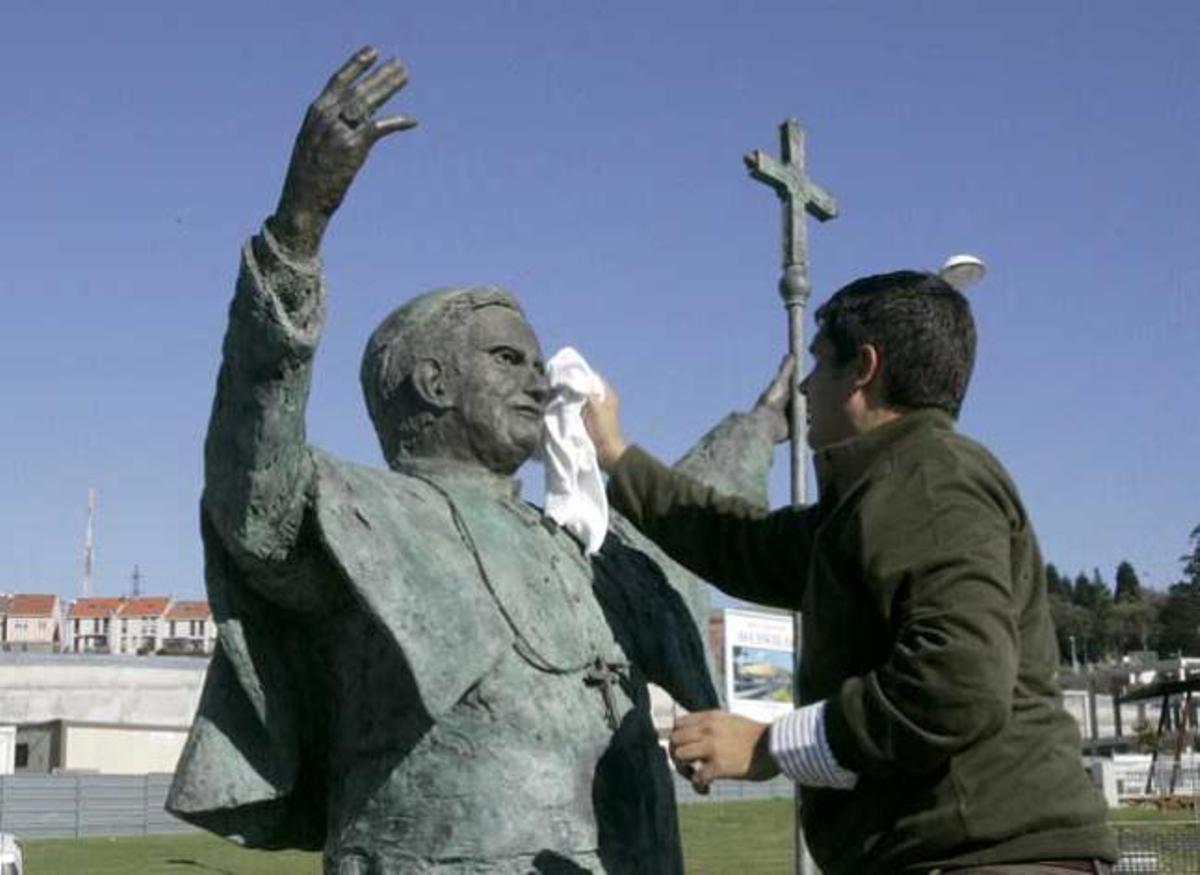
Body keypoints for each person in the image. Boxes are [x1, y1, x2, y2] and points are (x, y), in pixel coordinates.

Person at [166, 47, 787, 874]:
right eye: (507, 359)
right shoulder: (363, 516)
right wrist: (298, 230)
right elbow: (253, 482)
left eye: (536, 363)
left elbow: (686, 521)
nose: (540, 379)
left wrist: (763, 424)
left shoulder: (579, 540)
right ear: (430, 381)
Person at [585, 271, 1118, 873]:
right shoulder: (873, 499)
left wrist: (768, 746)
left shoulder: (930, 479)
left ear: (863, 368)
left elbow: (955, 685)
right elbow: (738, 541)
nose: (806, 388)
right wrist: (615, 455)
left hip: (982, 858)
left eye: (819, 366)